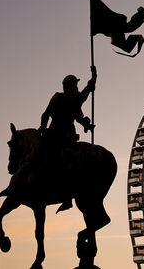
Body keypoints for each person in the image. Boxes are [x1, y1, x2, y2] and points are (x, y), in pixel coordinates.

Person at [38, 66, 97, 212]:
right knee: (50, 156)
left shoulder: (72, 99)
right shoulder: (62, 98)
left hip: (64, 134)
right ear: (69, 87)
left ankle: (66, 194)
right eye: (75, 85)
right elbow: (46, 115)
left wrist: (86, 125)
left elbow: (79, 117)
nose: (77, 88)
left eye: (77, 86)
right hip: (58, 133)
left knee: (65, 158)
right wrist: (43, 127)